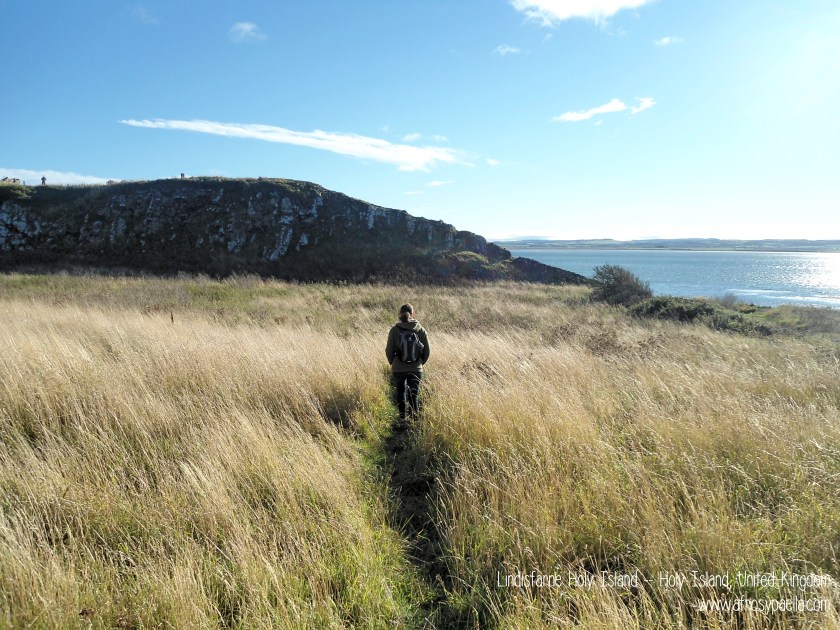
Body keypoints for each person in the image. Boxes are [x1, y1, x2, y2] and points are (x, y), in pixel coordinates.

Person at [385, 303, 430, 424]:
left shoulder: (394, 330)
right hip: (416, 368)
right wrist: (420, 363)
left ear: (399, 314)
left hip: (398, 368)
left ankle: (402, 419)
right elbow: (427, 351)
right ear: (413, 314)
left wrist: (393, 362)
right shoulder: (420, 330)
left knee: (400, 391)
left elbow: (389, 350)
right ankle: (414, 421)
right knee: (414, 394)